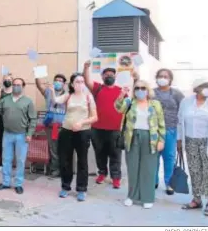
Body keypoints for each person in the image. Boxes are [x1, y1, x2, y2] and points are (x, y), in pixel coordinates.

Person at [115, 80, 165, 209]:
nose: (140, 90)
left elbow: (161, 123)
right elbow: (118, 108)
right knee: (132, 168)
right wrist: (122, 95)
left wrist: (161, 140)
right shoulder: (130, 102)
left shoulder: (155, 104)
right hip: (132, 137)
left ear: (148, 90)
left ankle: (147, 197)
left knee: (148, 168)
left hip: (150, 138)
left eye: (143, 88)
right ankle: (131, 196)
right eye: (137, 88)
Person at [0, 78, 36, 195]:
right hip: (7, 134)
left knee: (20, 161)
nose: (16, 86)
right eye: (14, 84)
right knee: (6, 160)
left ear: (23, 87)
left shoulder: (28, 101)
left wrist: (29, 134)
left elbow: (33, 119)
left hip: (22, 135)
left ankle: (18, 184)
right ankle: (6, 182)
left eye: (19, 85)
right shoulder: (5, 100)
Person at [49, 73, 97, 201]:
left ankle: (81, 189)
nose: (80, 84)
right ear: (72, 84)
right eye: (77, 81)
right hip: (66, 131)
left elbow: (95, 117)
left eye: (82, 81)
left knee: (82, 161)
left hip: (83, 132)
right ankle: (65, 187)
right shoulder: (68, 96)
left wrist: (81, 123)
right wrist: (53, 91)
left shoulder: (88, 97)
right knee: (65, 160)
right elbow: (55, 101)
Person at [83, 61, 124, 189]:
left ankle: (116, 177)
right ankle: (102, 173)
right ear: (102, 77)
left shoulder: (121, 91)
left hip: (115, 130)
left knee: (115, 154)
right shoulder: (98, 88)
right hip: (97, 129)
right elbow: (87, 81)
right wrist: (86, 68)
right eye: (106, 74)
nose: (109, 76)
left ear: (115, 77)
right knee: (99, 153)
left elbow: (127, 107)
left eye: (111, 74)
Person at [150, 69, 184, 194]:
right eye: (160, 76)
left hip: (171, 129)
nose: (163, 78)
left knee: (169, 157)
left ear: (170, 79)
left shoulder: (177, 94)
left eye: (165, 76)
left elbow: (183, 111)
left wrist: (181, 132)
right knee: (154, 157)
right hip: (154, 130)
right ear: (156, 78)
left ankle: (169, 183)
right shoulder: (151, 93)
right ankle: (153, 181)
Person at [177, 78, 208, 215]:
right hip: (190, 141)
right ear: (197, 88)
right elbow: (179, 121)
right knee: (195, 171)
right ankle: (197, 199)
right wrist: (179, 140)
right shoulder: (186, 102)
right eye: (204, 86)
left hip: (206, 141)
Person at [36, 73, 68, 178]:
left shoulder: (67, 95)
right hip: (50, 126)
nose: (58, 82)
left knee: (64, 149)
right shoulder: (48, 92)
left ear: (64, 84)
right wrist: (37, 73)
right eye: (56, 80)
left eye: (60, 80)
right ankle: (55, 170)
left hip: (63, 127)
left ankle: (64, 170)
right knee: (53, 149)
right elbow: (39, 85)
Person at [0, 74, 13, 172]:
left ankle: (11, 163)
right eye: (5, 80)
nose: (7, 81)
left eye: (9, 79)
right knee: (2, 141)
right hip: (0, 119)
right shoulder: (1, 91)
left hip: (12, 119)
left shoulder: (15, 91)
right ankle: (2, 163)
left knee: (12, 141)